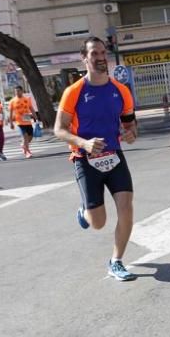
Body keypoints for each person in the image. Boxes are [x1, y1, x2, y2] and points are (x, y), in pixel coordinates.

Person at [54, 36, 139, 282]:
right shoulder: (74, 92)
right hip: (85, 159)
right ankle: (85, 211)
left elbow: (130, 124)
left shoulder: (121, 91)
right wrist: (83, 143)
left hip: (114, 156)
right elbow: (59, 129)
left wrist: (131, 134)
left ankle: (116, 261)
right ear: (84, 58)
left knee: (126, 208)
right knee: (98, 223)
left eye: (103, 52)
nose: (101, 57)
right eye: (94, 54)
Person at [8, 86, 36, 158]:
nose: (17, 92)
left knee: (30, 136)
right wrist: (11, 123)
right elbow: (10, 113)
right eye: (15, 91)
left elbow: (31, 108)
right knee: (25, 136)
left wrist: (35, 116)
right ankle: (27, 152)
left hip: (27, 120)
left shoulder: (27, 99)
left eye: (18, 91)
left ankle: (24, 145)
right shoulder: (12, 101)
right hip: (19, 122)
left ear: (22, 91)